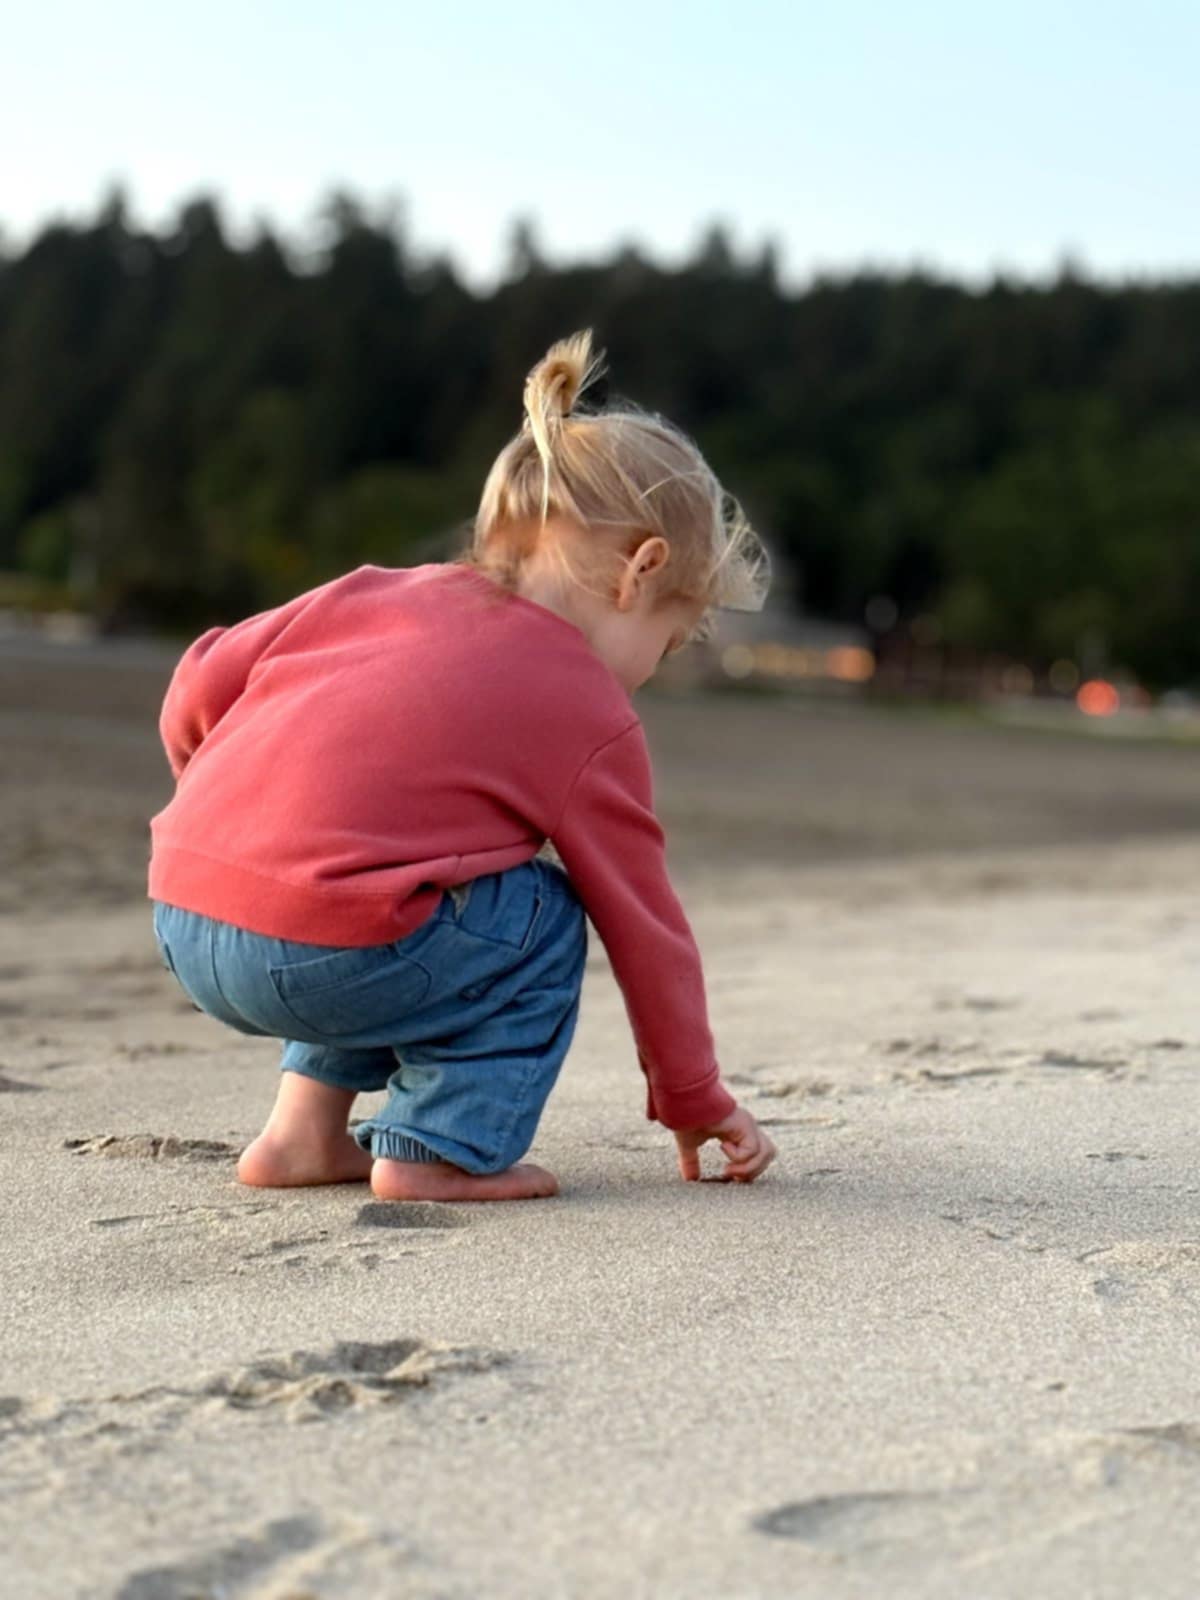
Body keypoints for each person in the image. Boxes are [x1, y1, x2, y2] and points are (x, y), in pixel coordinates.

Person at [148, 329, 778, 1201]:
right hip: (324, 957)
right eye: (666, 643)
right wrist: (692, 1094)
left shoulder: (372, 591)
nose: (649, 673)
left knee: (383, 873)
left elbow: (199, 678)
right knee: (543, 915)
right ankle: (435, 1148)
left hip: (181, 916)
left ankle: (301, 1136)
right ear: (641, 571)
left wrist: (231, 814)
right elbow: (644, 923)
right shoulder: (585, 705)